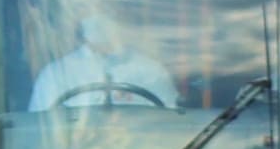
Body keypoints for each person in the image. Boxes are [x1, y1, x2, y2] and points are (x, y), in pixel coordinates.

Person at [29, 15, 178, 110]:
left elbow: (170, 122)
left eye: (109, 11)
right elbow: (40, 132)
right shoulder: (56, 74)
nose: (102, 22)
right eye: (92, 11)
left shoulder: (151, 71)